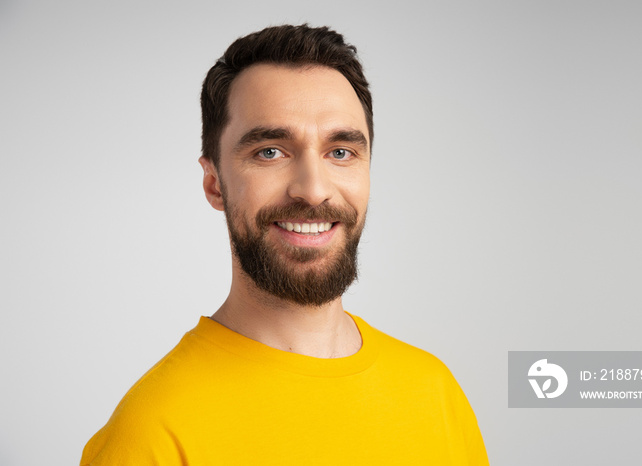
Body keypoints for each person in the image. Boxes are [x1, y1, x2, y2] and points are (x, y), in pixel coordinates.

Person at [80, 24, 489, 465]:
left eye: (341, 152)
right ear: (214, 183)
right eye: (270, 151)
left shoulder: (436, 392)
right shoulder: (149, 435)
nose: (313, 191)